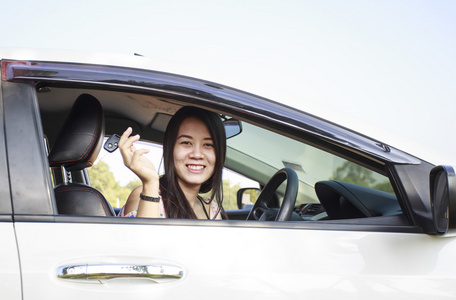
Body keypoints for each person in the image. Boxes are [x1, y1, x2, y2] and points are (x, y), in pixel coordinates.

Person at [117, 106, 226, 219]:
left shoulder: (212, 209)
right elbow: (142, 236)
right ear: (170, 149)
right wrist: (150, 183)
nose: (197, 154)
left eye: (208, 145)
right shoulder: (144, 194)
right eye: (186, 142)